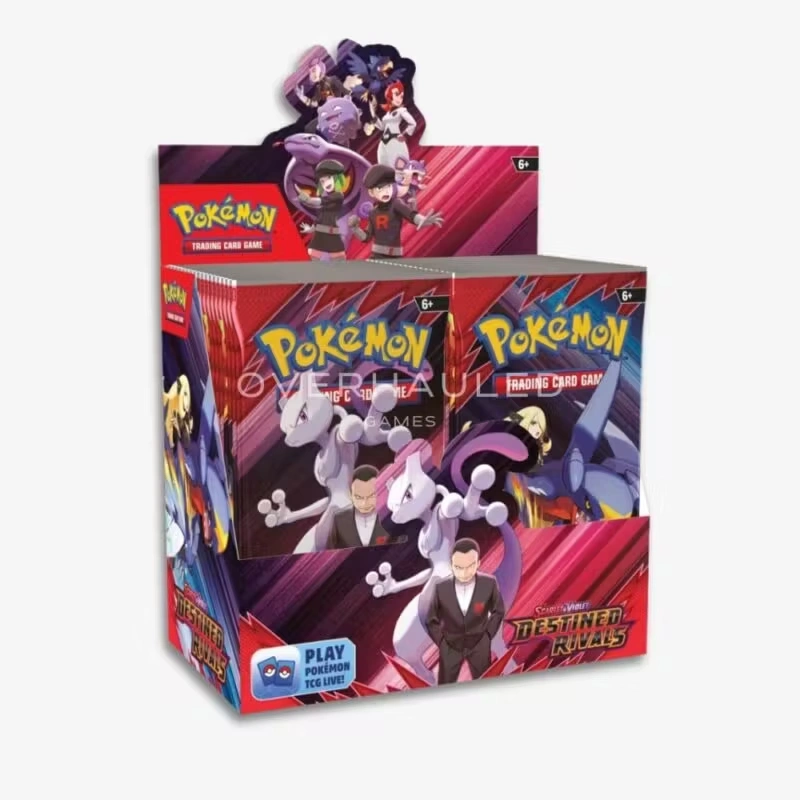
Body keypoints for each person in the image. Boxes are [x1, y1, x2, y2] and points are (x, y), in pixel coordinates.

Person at [425, 538, 505, 684]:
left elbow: (498, 611)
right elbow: (431, 619)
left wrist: (487, 635)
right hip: (450, 646)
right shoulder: (441, 588)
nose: (464, 572)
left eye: (470, 566)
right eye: (459, 567)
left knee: (487, 686)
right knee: (445, 689)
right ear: (452, 565)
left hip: (480, 644)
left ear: (478, 563)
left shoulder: (489, 583)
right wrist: (442, 642)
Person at [328, 465, 391, 549]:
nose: (364, 503)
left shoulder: (389, 513)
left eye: (371, 496)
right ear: (351, 495)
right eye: (359, 497)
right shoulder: (339, 522)